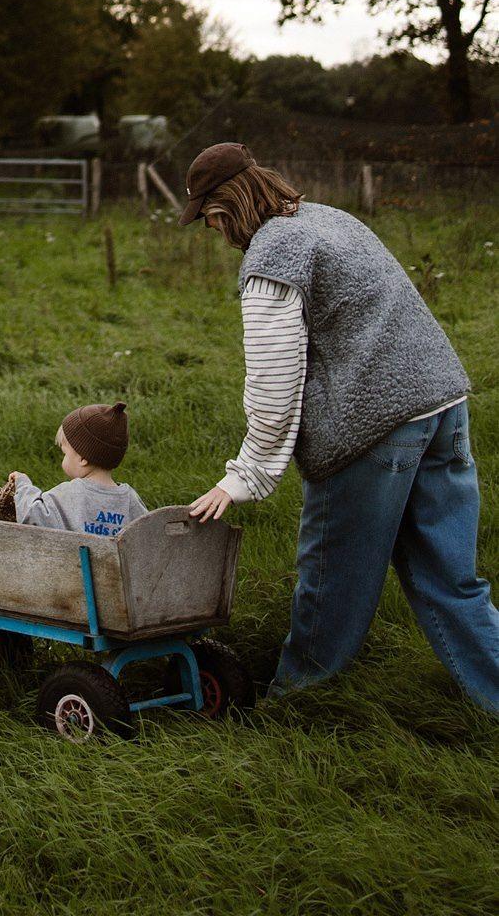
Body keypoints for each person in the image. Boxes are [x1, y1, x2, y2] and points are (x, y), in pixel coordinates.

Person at [186, 141, 499, 713]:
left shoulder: (272, 258)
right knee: (453, 584)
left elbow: (275, 385)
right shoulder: (330, 220)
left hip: (372, 429)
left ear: (225, 207)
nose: (214, 232)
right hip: (442, 404)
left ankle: (295, 707)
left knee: (332, 588)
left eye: (209, 218)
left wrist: (243, 477)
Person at [0, 401, 148, 536]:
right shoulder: (130, 499)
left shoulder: (69, 494)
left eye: (65, 453)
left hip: (70, 578)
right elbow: (148, 534)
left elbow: (32, 516)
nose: (63, 459)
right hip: (120, 581)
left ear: (83, 459)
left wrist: (23, 485)